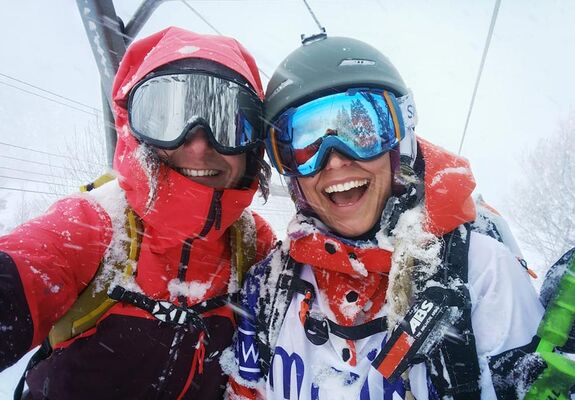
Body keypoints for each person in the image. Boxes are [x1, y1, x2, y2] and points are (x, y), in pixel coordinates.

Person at [226, 34, 544, 399]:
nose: (334, 160)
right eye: (305, 144)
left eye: (360, 131)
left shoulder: (477, 271)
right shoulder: (269, 287)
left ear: (400, 140)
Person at [0, 27, 275, 399]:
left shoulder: (254, 247)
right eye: (168, 119)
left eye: (226, 122)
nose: (198, 145)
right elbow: (26, 267)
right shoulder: (92, 226)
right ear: (136, 128)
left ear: (252, 144)